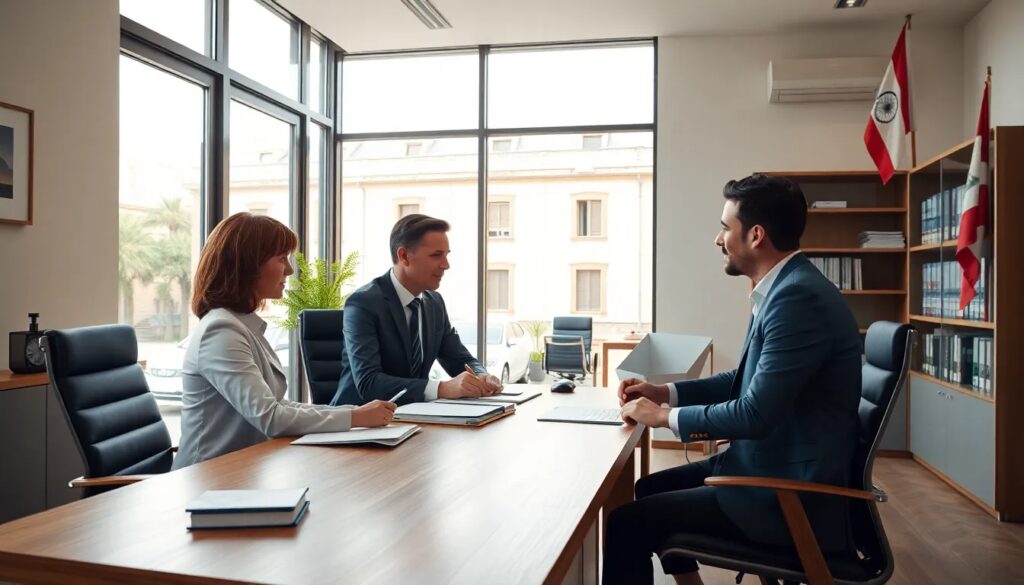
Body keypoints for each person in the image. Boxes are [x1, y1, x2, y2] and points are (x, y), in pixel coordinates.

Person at [603, 174, 862, 584]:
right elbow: (741, 381)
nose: (717, 239)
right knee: (649, 490)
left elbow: (754, 414)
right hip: (772, 467)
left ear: (756, 235)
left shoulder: (797, 300)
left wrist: (664, 416)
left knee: (624, 523)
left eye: (726, 227)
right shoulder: (783, 290)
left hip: (785, 495)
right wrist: (664, 392)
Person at [173, 213, 395, 469]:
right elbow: (271, 418)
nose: (289, 269)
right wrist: (354, 417)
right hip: (209, 481)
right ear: (247, 265)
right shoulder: (221, 331)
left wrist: (352, 413)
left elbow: (278, 405)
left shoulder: (241, 324)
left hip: (244, 470)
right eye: (281, 258)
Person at [332, 214, 502, 406]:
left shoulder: (434, 303)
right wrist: (443, 388)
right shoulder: (363, 303)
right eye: (436, 255)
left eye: (447, 255)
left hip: (413, 419)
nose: (446, 265)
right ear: (404, 256)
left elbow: (459, 359)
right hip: (358, 424)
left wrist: (481, 377)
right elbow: (369, 383)